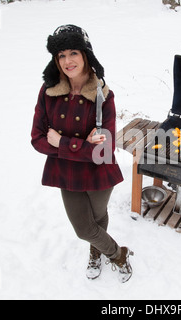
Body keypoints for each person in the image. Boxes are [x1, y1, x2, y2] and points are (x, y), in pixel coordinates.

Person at [31, 25, 133, 283]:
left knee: (98, 218)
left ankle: (95, 252)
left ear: (86, 54)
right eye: (61, 55)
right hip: (67, 173)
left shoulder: (103, 96)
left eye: (73, 52)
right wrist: (83, 146)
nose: (67, 61)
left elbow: (104, 150)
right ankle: (118, 254)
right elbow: (37, 139)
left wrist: (62, 142)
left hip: (99, 172)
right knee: (84, 228)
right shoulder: (48, 92)